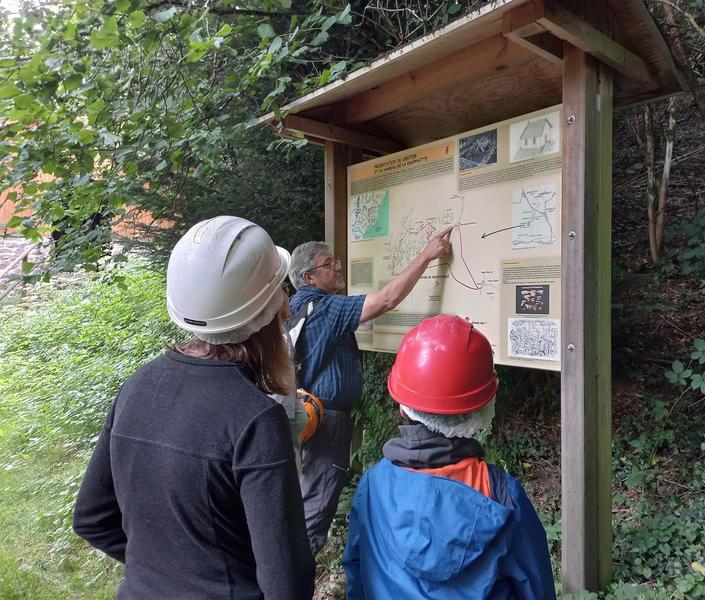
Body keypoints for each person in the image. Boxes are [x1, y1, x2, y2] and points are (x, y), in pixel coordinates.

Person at [73, 216, 315, 600]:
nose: (287, 308)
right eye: (281, 294)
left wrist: (166, 574)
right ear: (268, 314)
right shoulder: (255, 418)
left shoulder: (137, 386)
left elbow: (92, 519)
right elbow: (287, 582)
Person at [343, 314, 556, 599]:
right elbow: (536, 589)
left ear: (403, 407)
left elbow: (357, 575)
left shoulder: (373, 486)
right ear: (482, 407)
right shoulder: (501, 495)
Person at [287, 230, 452, 556]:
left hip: (304, 416)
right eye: (328, 264)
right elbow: (386, 300)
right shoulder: (324, 308)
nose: (337, 267)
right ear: (309, 277)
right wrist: (427, 254)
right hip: (327, 423)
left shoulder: (294, 308)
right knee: (315, 512)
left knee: (304, 502)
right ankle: (292, 581)